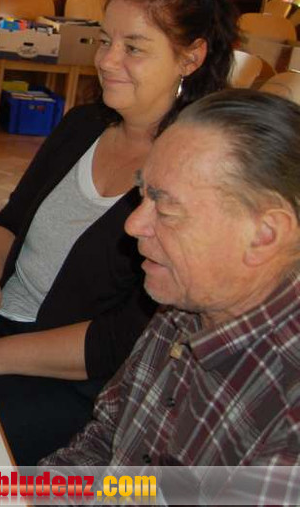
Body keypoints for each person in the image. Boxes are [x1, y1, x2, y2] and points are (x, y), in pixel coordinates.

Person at [0, 0, 235, 465]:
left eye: (133, 48)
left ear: (190, 58)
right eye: (105, 40)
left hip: (70, 383)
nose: (106, 60)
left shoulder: (189, 177)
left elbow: (118, 340)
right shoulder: (82, 125)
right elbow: (10, 219)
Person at [42, 90, 300, 481]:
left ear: (264, 235)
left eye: (165, 208)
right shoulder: (182, 301)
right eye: (142, 195)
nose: (133, 225)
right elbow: (103, 444)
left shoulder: (289, 419)